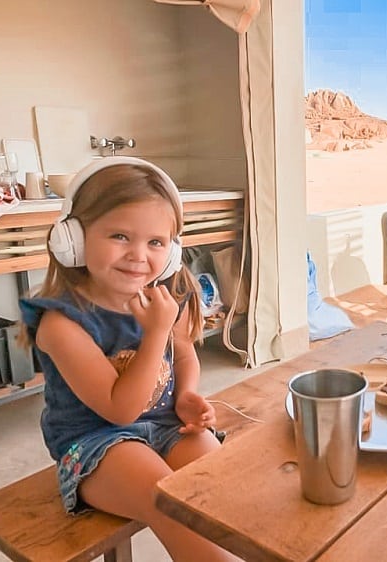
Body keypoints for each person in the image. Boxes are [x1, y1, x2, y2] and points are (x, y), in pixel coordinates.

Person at [19, 157, 236, 561]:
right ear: (74, 239)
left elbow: (184, 353)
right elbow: (120, 411)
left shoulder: (161, 299)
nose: (139, 255)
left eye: (155, 242)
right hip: (95, 444)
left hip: (165, 426)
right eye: (120, 235)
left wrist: (186, 394)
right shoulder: (62, 325)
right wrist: (155, 332)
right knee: (167, 502)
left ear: (171, 252)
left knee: (216, 485)